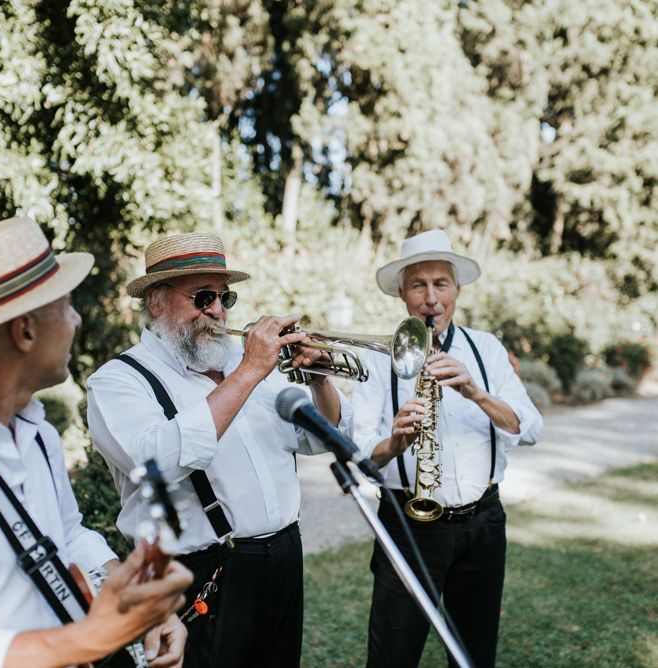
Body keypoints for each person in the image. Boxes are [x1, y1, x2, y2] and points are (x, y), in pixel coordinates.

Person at [0, 217, 192, 668]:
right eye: (67, 304)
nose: (77, 319)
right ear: (25, 330)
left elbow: (65, 534)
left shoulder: (40, 433)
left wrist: (134, 605)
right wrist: (91, 638)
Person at [87, 231, 353, 668]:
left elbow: (320, 437)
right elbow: (154, 460)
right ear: (156, 301)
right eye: (203, 296)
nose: (217, 310)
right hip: (197, 573)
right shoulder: (120, 379)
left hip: (284, 558)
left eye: (225, 298)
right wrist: (250, 371)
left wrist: (320, 379)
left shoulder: (242, 361)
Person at [351, 229, 543, 668]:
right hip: (407, 526)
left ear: (457, 290)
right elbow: (361, 455)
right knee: (392, 655)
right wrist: (396, 441)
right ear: (402, 293)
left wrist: (476, 391)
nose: (431, 298)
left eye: (442, 284)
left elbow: (529, 428)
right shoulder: (378, 359)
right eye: (419, 284)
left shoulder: (487, 348)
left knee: (475, 653)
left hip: (484, 524)